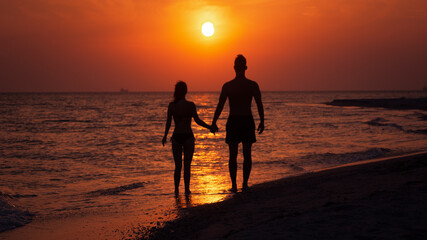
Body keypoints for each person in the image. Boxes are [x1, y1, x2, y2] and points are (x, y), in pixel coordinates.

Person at [211, 54, 264, 192]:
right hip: (246, 119)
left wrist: (214, 122)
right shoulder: (252, 85)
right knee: (247, 154)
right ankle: (244, 184)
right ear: (245, 67)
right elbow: (259, 104)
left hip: (234, 120)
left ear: (234, 68)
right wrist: (262, 121)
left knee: (233, 155)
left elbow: (220, 105)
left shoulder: (228, 86)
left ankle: (234, 185)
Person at [162, 81, 211, 194]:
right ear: (186, 91)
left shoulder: (172, 106)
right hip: (188, 136)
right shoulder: (190, 105)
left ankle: (176, 191)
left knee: (178, 166)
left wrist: (165, 135)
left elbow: (168, 123)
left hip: (176, 137)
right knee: (187, 166)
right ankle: (187, 190)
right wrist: (210, 127)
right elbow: (198, 121)